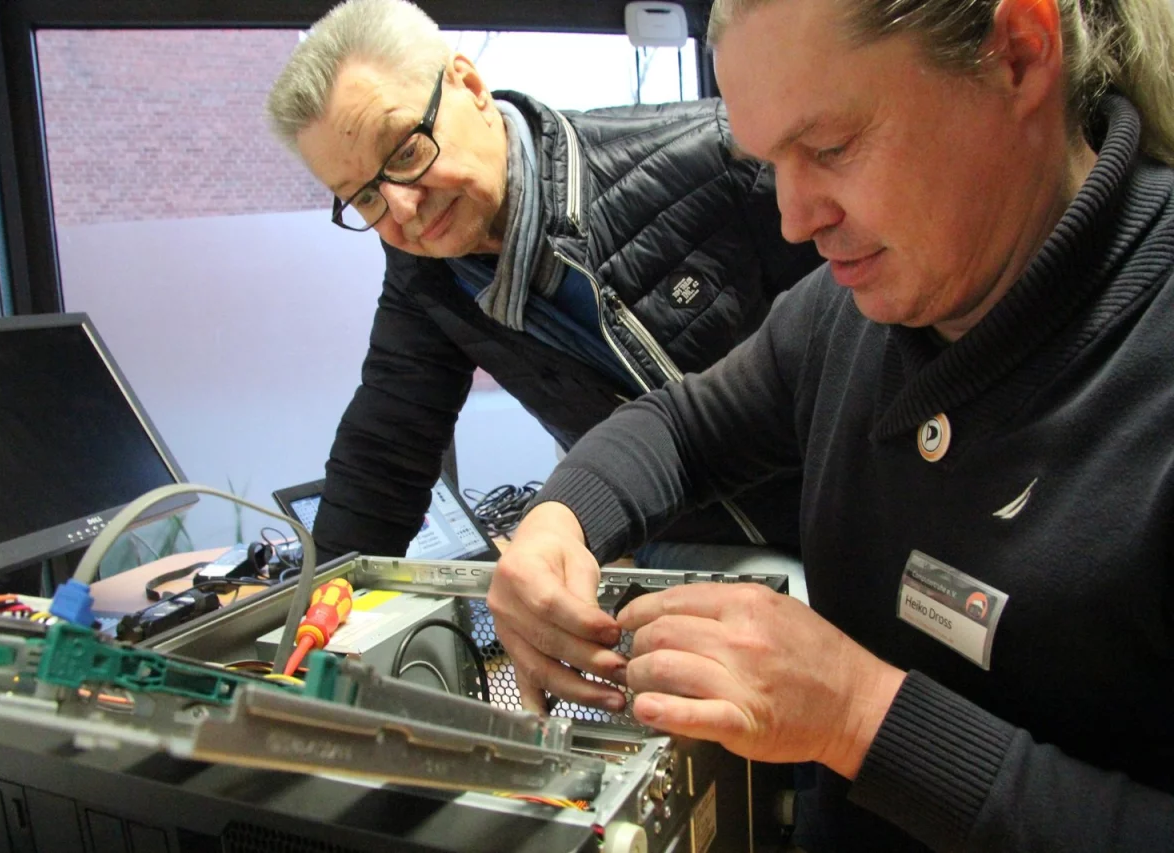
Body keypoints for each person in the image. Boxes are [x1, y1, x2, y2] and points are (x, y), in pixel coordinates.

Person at [487, 0, 1174, 850]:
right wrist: (558, 523)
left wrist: (859, 715)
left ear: (1020, 56)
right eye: (771, 162)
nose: (794, 219)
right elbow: (683, 426)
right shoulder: (847, 317)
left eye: (831, 147)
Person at [263, 0, 821, 564]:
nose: (402, 209)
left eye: (407, 151)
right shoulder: (428, 276)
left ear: (470, 86)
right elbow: (384, 453)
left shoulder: (721, 158)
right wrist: (323, 598)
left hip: (834, 523)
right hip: (683, 545)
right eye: (365, 197)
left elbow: (864, 344)